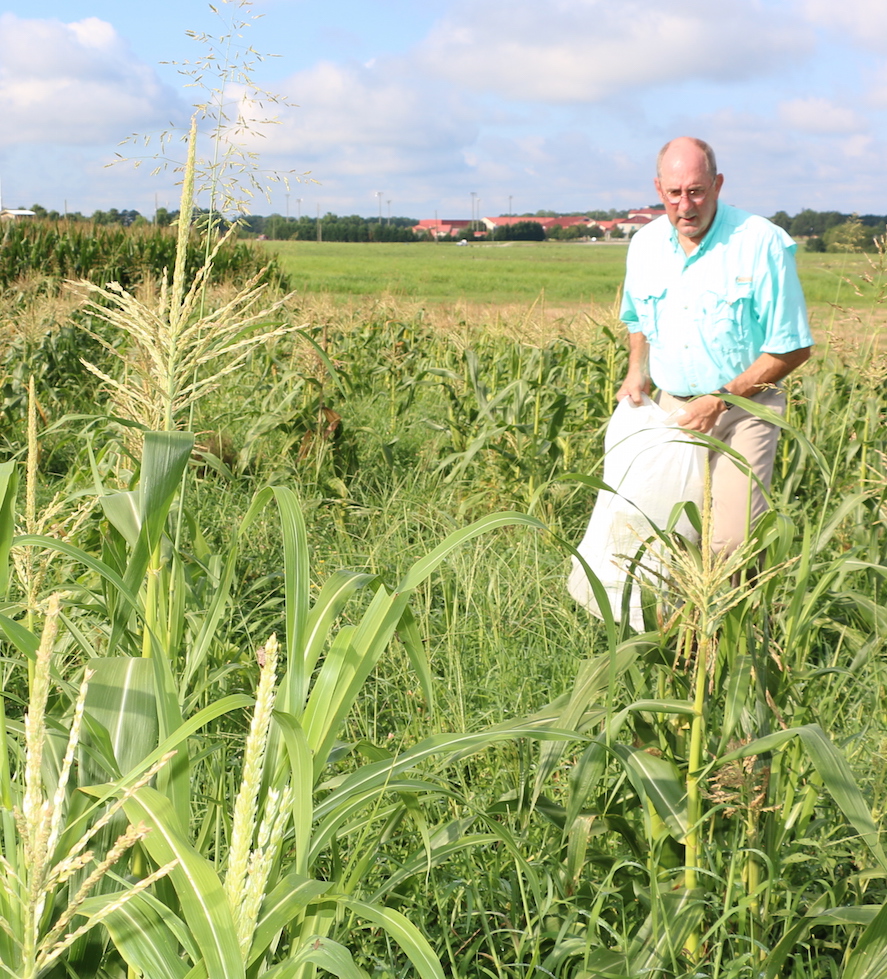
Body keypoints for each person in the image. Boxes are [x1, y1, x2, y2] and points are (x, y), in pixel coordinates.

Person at [616, 136, 813, 554]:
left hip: (745, 408)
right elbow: (636, 317)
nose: (686, 206)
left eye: (696, 191)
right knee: (669, 538)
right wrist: (637, 371)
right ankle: (684, 621)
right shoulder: (645, 245)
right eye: (674, 193)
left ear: (717, 185)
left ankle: (748, 617)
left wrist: (720, 400)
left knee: (732, 541)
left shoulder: (760, 241)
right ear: (658, 190)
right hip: (675, 410)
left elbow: (793, 347)